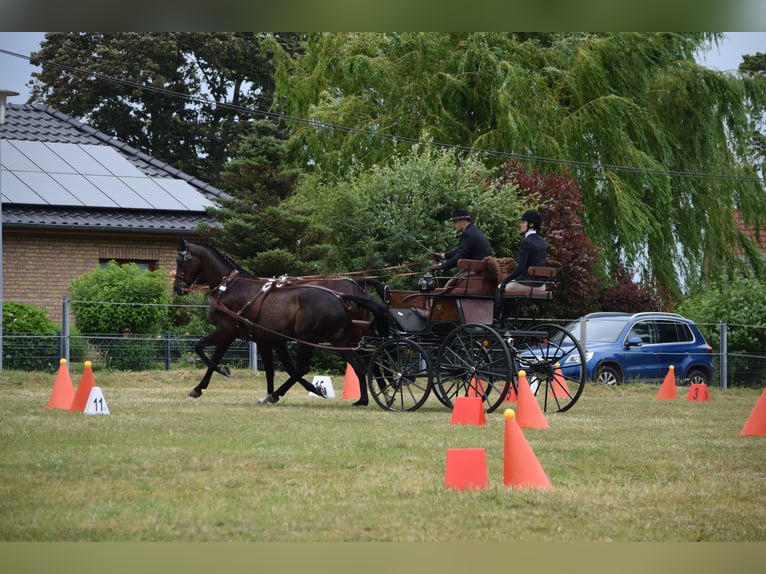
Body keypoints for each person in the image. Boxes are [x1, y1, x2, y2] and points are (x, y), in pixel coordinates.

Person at [491, 209, 547, 329]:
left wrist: (505, 280)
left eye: (523, 222)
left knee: (501, 287)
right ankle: (504, 320)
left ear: (530, 225)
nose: (520, 225)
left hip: (529, 283)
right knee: (510, 287)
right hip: (541, 284)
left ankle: (497, 321)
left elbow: (520, 269)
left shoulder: (526, 242)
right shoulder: (542, 242)